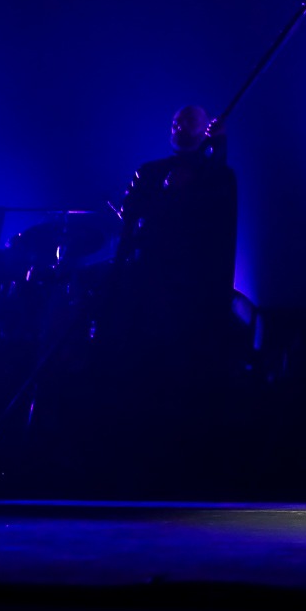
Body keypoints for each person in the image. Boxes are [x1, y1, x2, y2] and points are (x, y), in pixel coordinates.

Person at [110, 105, 242, 471]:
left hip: (191, 297)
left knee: (181, 376)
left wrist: (219, 151)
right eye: (176, 120)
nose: (179, 124)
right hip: (148, 291)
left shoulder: (217, 176)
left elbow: (216, 210)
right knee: (142, 374)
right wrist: (166, 195)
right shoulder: (151, 172)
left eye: (189, 120)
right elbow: (130, 215)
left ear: (204, 129)